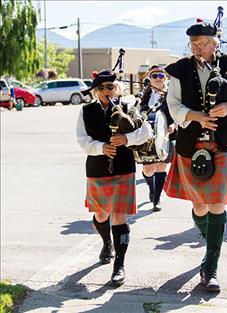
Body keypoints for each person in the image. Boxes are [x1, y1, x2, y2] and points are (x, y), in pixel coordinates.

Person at [164, 20, 227, 292]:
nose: (197, 49)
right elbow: (173, 104)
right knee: (200, 207)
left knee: (217, 205)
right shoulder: (180, 69)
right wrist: (196, 117)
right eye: (193, 44)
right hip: (191, 146)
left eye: (202, 44)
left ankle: (211, 266)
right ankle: (210, 242)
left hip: (222, 145)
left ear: (215, 43)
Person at [76, 69, 152, 286]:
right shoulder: (86, 111)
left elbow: (146, 132)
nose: (105, 91)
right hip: (97, 167)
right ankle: (106, 243)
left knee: (119, 216)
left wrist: (126, 139)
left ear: (116, 87)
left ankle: (119, 265)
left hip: (123, 167)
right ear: (95, 90)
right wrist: (101, 147)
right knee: (101, 214)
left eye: (109, 86)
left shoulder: (129, 107)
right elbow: (82, 140)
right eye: (100, 88)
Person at [138, 65, 176, 212]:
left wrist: (173, 125)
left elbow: (177, 111)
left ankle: (156, 198)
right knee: (148, 169)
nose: (158, 79)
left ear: (165, 79)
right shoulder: (144, 95)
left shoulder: (171, 94)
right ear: (150, 79)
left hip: (166, 135)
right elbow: (139, 113)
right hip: (148, 137)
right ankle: (152, 188)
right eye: (155, 76)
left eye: (161, 76)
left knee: (161, 166)